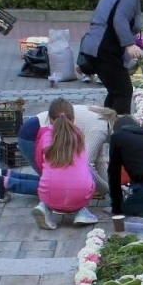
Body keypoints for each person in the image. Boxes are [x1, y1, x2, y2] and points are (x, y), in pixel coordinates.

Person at [0, 104, 114, 203]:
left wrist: (113, 187)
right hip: (33, 137)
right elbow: (88, 166)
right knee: (57, 187)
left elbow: (99, 161)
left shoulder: (104, 119)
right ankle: (5, 183)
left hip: (32, 130)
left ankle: (7, 176)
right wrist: (109, 191)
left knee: (53, 180)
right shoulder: (100, 131)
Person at [32, 98, 99, 230]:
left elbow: (39, 163)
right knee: (89, 170)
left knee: (48, 177)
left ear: (49, 119)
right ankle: (82, 212)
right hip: (81, 195)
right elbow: (85, 162)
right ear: (73, 118)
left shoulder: (45, 135)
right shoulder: (79, 134)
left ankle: (45, 208)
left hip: (49, 195)